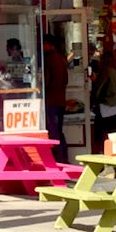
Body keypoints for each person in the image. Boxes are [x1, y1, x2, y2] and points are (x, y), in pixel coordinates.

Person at [43, 33, 69, 163]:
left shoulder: (48, 59)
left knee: (53, 132)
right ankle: (64, 157)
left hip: (51, 101)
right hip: (60, 101)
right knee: (59, 131)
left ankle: (58, 160)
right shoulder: (61, 58)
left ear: (48, 45)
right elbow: (65, 80)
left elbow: (47, 82)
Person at [91, 48, 116, 150]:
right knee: (113, 135)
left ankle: (103, 154)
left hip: (106, 106)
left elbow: (99, 90)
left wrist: (93, 101)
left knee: (101, 136)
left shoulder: (106, 72)